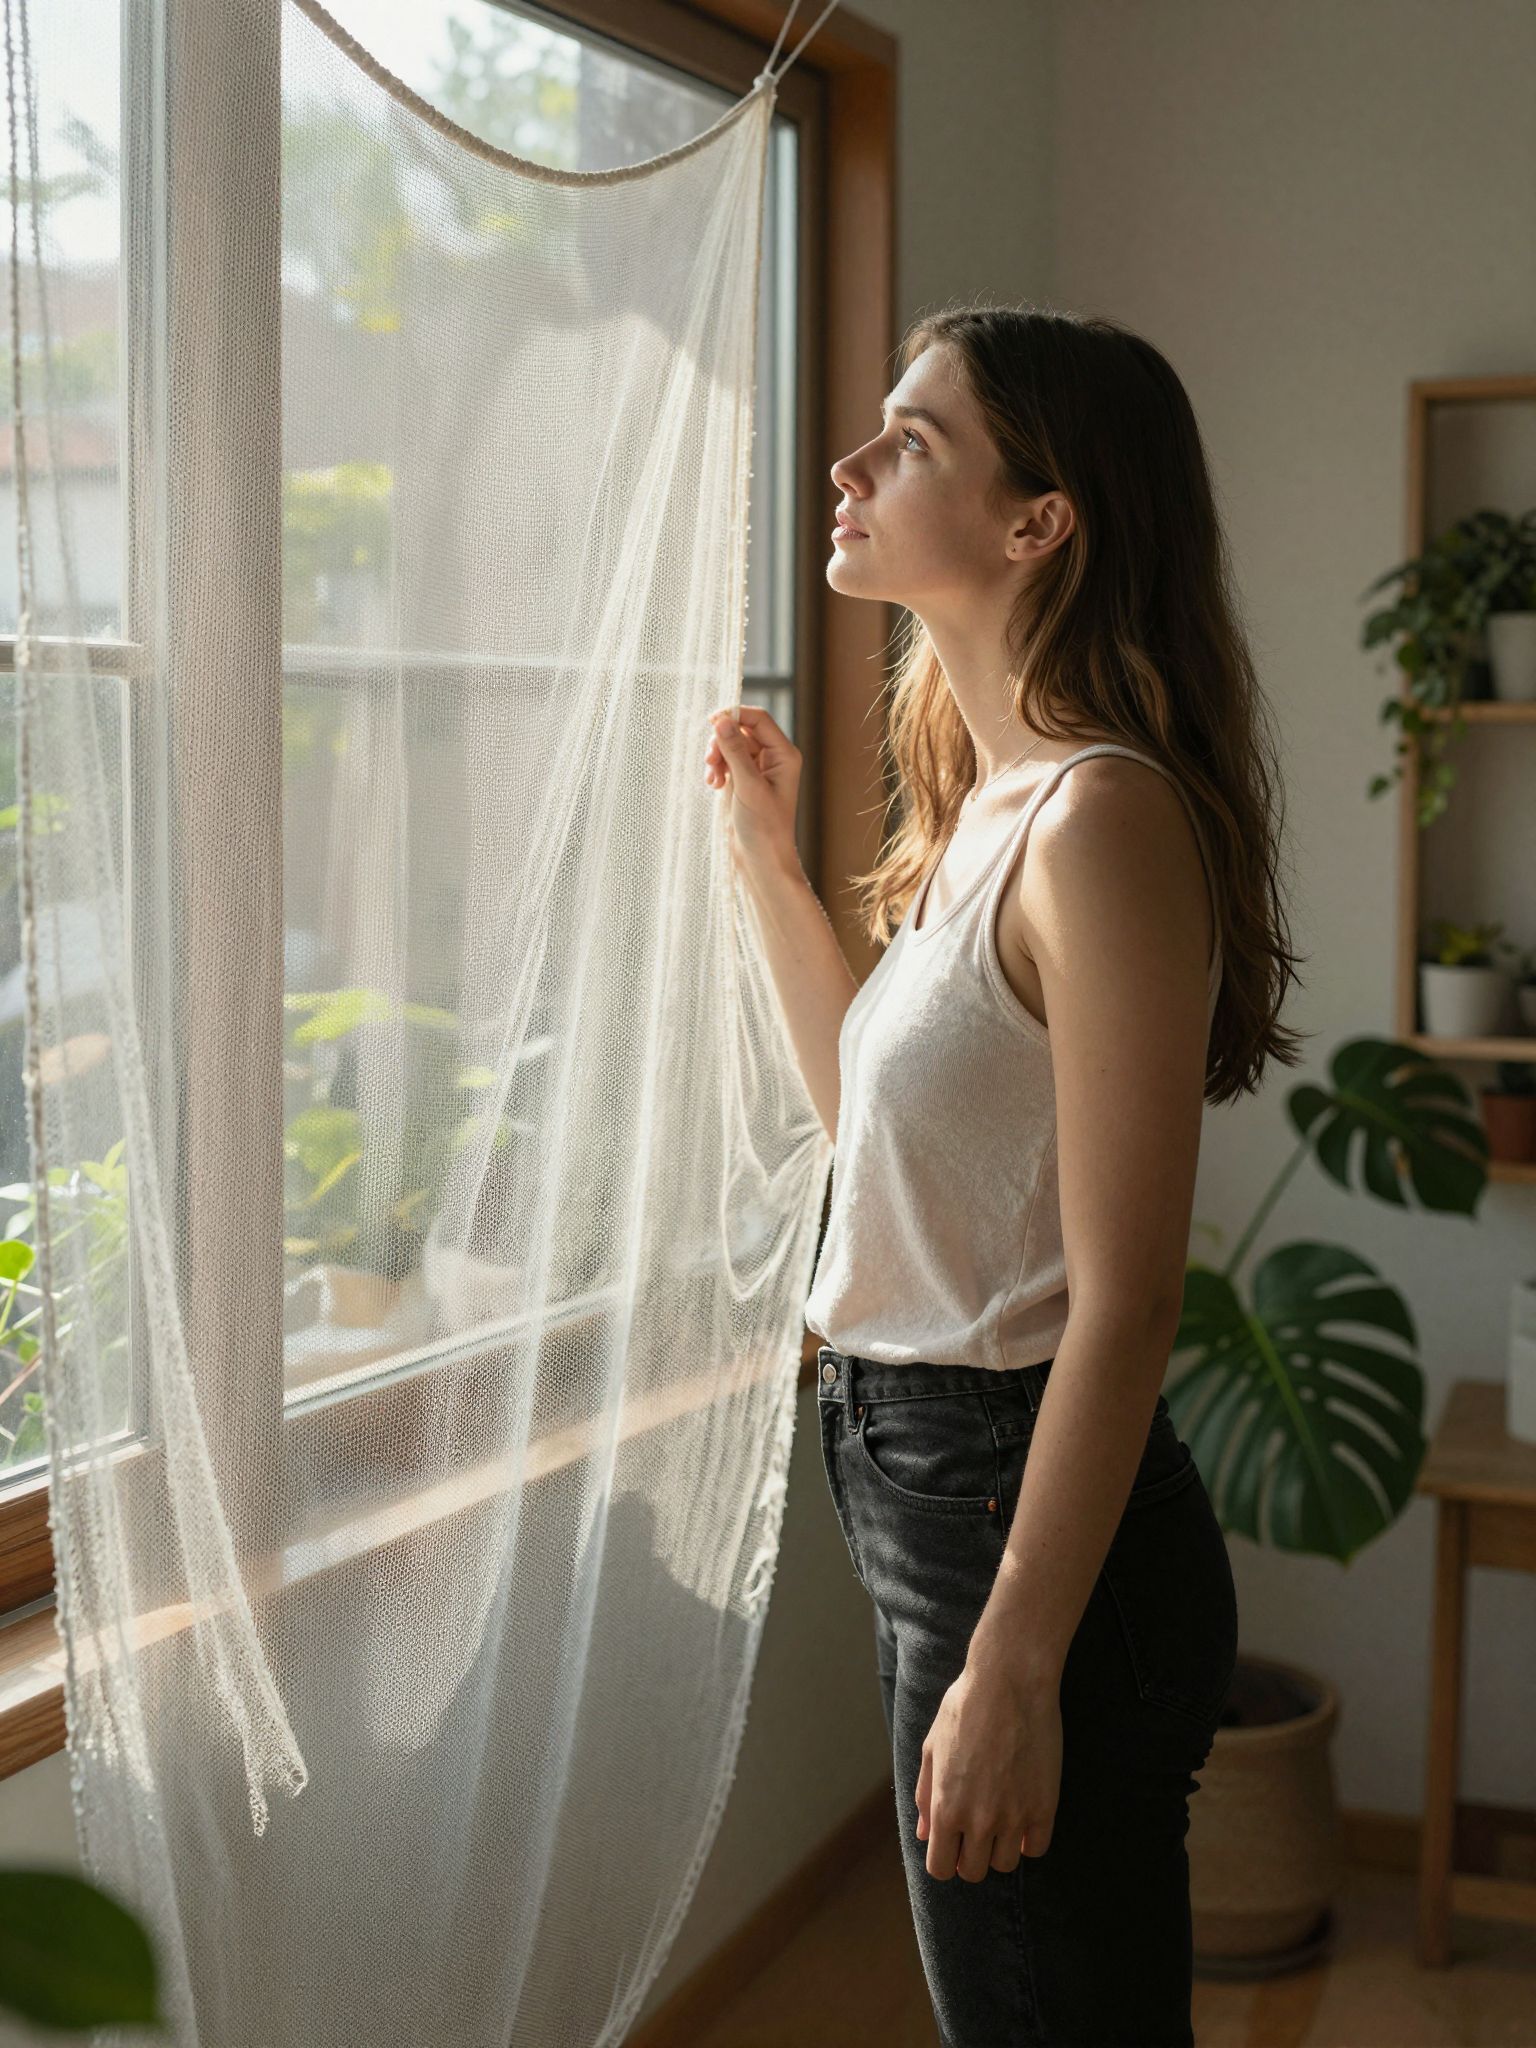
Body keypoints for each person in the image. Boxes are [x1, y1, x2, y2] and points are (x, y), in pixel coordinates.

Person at [702, 302, 1302, 2046]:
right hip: (939, 1486)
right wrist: (769, 870)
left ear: (1040, 523)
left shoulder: (1100, 820)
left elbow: (1127, 1295)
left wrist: (1017, 1658)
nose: (852, 463)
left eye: (914, 437)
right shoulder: (992, 805)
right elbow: (886, 1158)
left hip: (1015, 1515)